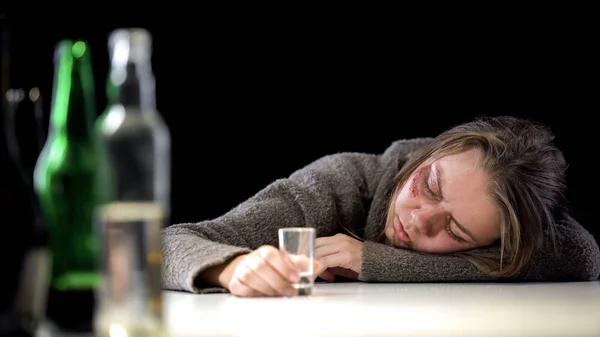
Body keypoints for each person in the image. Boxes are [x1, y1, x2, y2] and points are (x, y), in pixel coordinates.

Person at [161, 115, 600, 297]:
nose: (417, 218)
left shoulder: (521, 239)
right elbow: (167, 242)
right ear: (428, 153)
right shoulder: (341, 182)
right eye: (428, 185)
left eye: (456, 232)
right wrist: (230, 268)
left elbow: (583, 255)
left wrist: (373, 260)